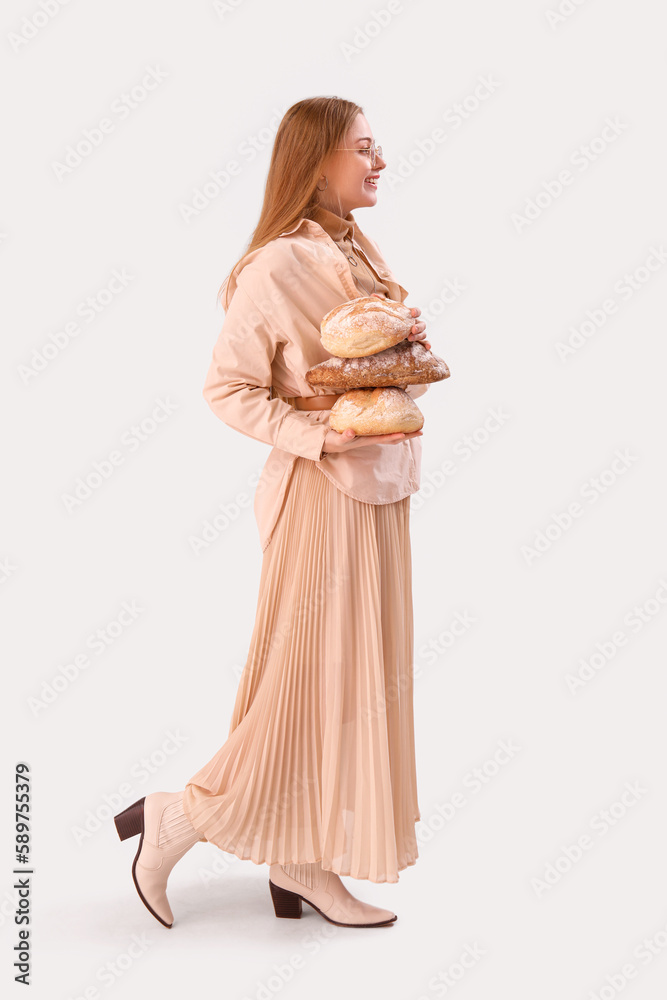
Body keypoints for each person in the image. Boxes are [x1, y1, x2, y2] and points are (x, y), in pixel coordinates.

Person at [114, 96, 432, 930]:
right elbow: (228, 388)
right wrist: (318, 432)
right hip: (321, 495)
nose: (379, 159)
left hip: (377, 489)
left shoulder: (353, 247)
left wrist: (400, 346)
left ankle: (301, 864)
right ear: (318, 157)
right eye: (363, 147)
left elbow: (357, 361)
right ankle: (176, 816)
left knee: (347, 686)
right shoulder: (275, 265)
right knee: (302, 686)